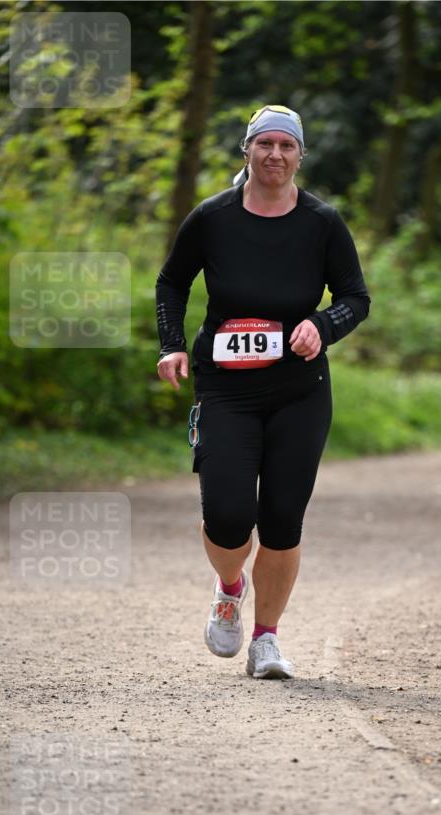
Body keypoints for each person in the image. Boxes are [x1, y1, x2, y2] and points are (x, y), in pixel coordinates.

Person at [155, 105, 370, 679]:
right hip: (225, 388)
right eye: (265, 144)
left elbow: (356, 297)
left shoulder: (322, 223)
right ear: (247, 150)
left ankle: (266, 640)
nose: (276, 154)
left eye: (287, 146)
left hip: (299, 390)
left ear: (300, 156)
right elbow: (173, 281)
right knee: (227, 514)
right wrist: (171, 344)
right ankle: (230, 588)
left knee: (281, 519)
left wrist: (321, 327)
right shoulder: (212, 218)